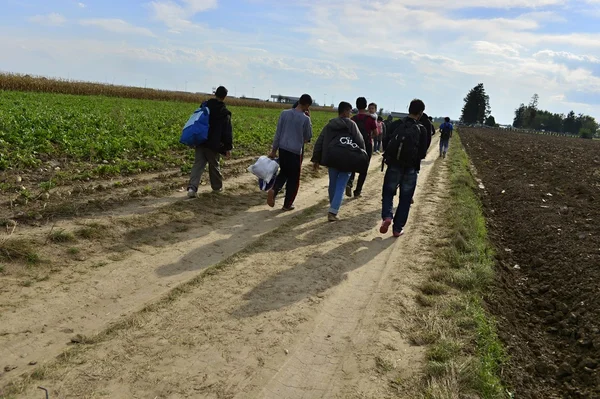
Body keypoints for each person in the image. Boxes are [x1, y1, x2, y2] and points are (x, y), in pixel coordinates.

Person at [380, 99, 430, 237]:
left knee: (388, 193)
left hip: (394, 165)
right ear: (420, 113)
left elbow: (385, 142)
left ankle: (387, 216)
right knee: (405, 199)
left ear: (409, 109)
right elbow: (422, 153)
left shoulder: (396, 124)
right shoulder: (422, 129)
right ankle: (397, 229)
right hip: (411, 168)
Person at [311, 101, 365, 221]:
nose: (351, 114)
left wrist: (316, 159)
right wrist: (362, 158)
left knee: (333, 183)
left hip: (332, 158)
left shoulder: (330, 125)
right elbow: (360, 142)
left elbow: (320, 141)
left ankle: (333, 205)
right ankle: (333, 211)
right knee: (341, 185)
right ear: (345, 111)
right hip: (347, 159)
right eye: (350, 111)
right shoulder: (351, 125)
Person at [267, 94, 313, 211]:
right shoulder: (305, 119)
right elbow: (308, 138)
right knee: (294, 179)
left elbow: (278, 133)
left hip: (283, 148)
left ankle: (274, 189)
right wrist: (309, 119)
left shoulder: (284, 113)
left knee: (284, 172)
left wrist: (273, 151)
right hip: (295, 152)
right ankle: (287, 204)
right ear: (307, 105)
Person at [187, 86, 232, 197]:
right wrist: (227, 147)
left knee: (198, 165)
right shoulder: (224, 112)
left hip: (201, 140)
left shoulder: (205, 105)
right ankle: (217, 189)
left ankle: (192, 189)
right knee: (214, 166)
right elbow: (227, 132)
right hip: (214, 144)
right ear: (224, 97)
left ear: (215, 94)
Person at [346, 97, 378, 198]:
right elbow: (376, 132)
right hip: (367, 145)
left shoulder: (353, 119)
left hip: (354, 144)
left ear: (356, 105)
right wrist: (370, 137)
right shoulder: (370, 119)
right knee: (363, 169)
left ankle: (349, 183)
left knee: (352, 166)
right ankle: (357, 191)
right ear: (366, 106)